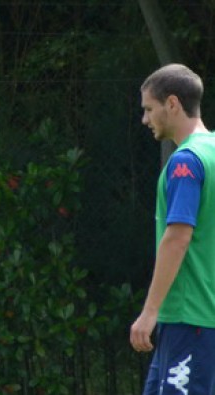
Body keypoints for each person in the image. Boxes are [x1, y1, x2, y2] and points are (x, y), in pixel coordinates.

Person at [130, 64, 215, 394]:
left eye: (149, 109)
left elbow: (178, 237)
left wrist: (149, 312)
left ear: (173, 104)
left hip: (189, 317)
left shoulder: (186, 161)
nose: (145, 119)